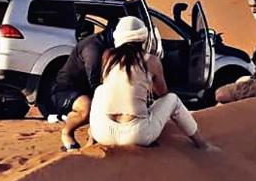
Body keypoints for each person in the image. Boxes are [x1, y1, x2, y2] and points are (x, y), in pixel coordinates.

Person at [89, 17, 215, 150]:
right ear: (143, 37)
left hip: (103, 133)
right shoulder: (152, 60)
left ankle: (91, 136)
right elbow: (163, 94)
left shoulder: (108, 56)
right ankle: (202, 144)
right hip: (138, 135)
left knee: (100, 90)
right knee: (173, 99)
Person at [51, 19, 117, 152]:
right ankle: (67, 133)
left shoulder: (112, 47)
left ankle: (92, 139)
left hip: (84, 90)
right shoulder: (92, 48)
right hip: (65, 90)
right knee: (88, 108)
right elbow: (94, 82)